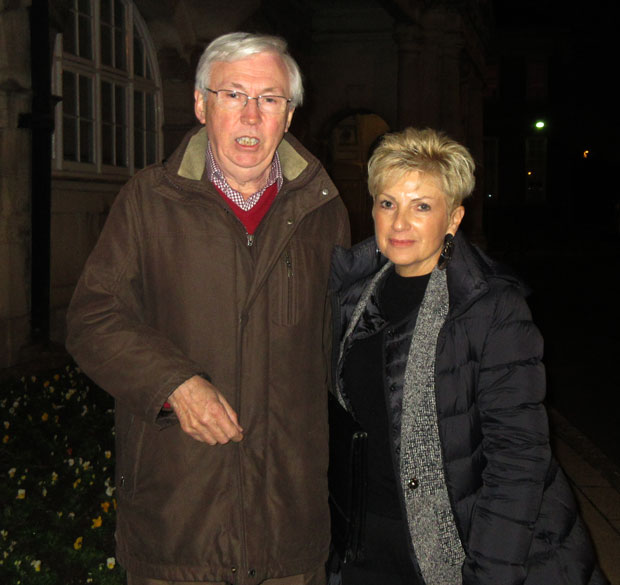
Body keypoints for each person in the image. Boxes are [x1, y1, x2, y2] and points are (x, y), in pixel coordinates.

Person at [66, 32, 350, 585]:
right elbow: (92, 317)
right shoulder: (150, 201)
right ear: (201, 105)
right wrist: (174, 384)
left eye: (270, 99)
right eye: (232, 95)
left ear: (288, 116)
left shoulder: (324, 209)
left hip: (288, 527)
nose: (251, 115)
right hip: (179, 521)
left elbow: (337, 348)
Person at [328, 127, 608, 585]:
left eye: (422, 206)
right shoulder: (353, 294)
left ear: (453, 219)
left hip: (463, 548)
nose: (400, 223)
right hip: (365, 545)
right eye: (387, 203)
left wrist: (490, 572)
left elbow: (518, 459)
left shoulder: (492, 308)